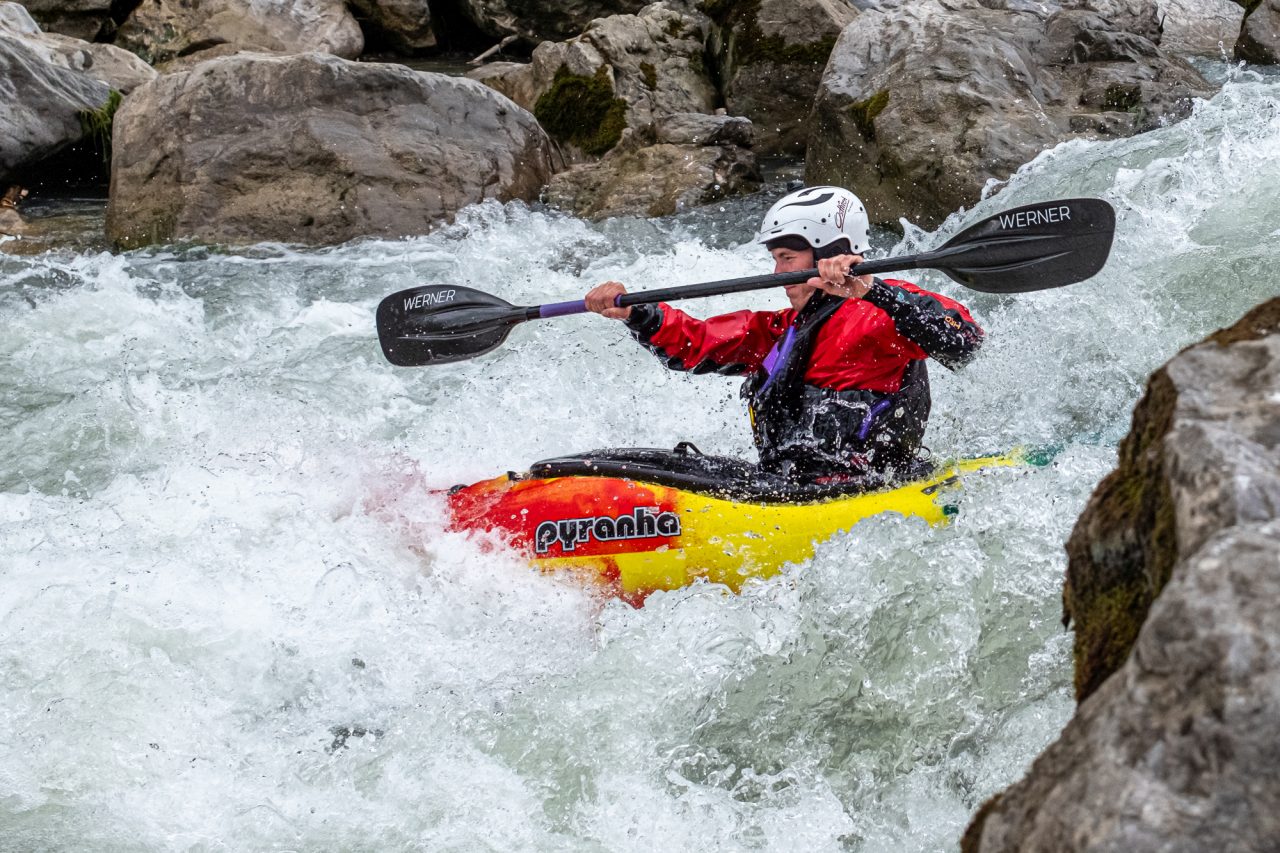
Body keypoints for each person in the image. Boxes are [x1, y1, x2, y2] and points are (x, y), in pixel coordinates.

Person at [584, 186, 985, 484]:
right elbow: (698, 343)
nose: (778, 273)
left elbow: (963, 341)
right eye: (776, 260)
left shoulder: (879, 313)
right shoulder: (782, 331)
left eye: (787, 259)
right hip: (785, 483)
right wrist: (638, 314)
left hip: (862, 488)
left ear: (830, 252)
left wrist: (873, 290)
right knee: (625, 468)